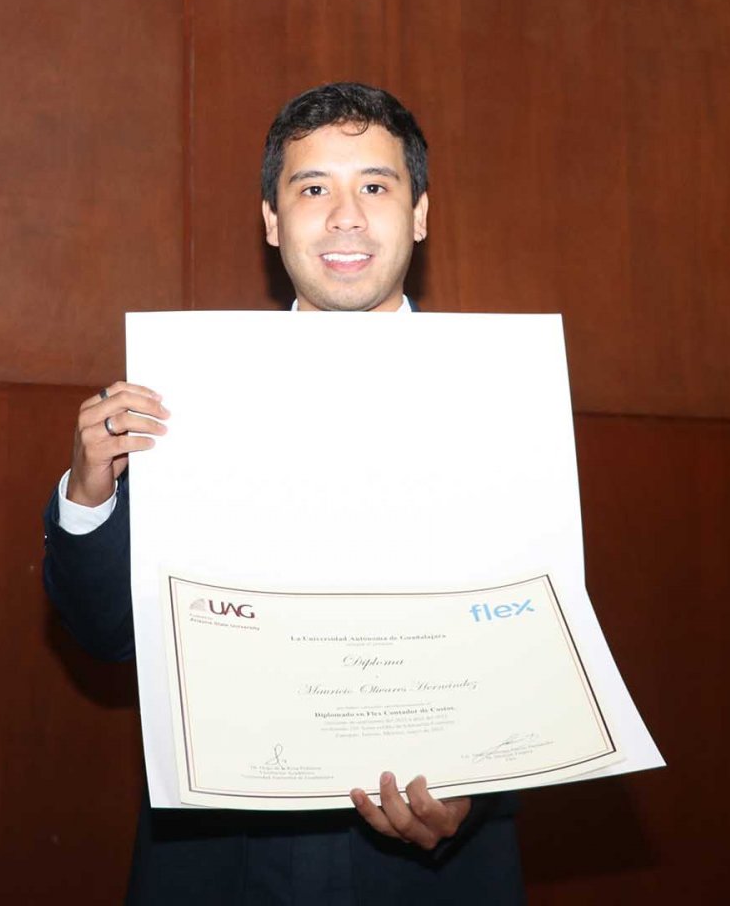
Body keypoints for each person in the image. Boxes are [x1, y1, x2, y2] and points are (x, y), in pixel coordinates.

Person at [43, 83, 524, 904]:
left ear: (419, 214)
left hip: (431, 874)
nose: (345, 216)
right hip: (222, 863)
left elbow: (528, 650)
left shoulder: (506, 398)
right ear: (272, 221)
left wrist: (475, 794)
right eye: (313, 189)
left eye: (375, 186)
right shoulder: (187, 395)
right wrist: (91, 496)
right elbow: (107, 635)